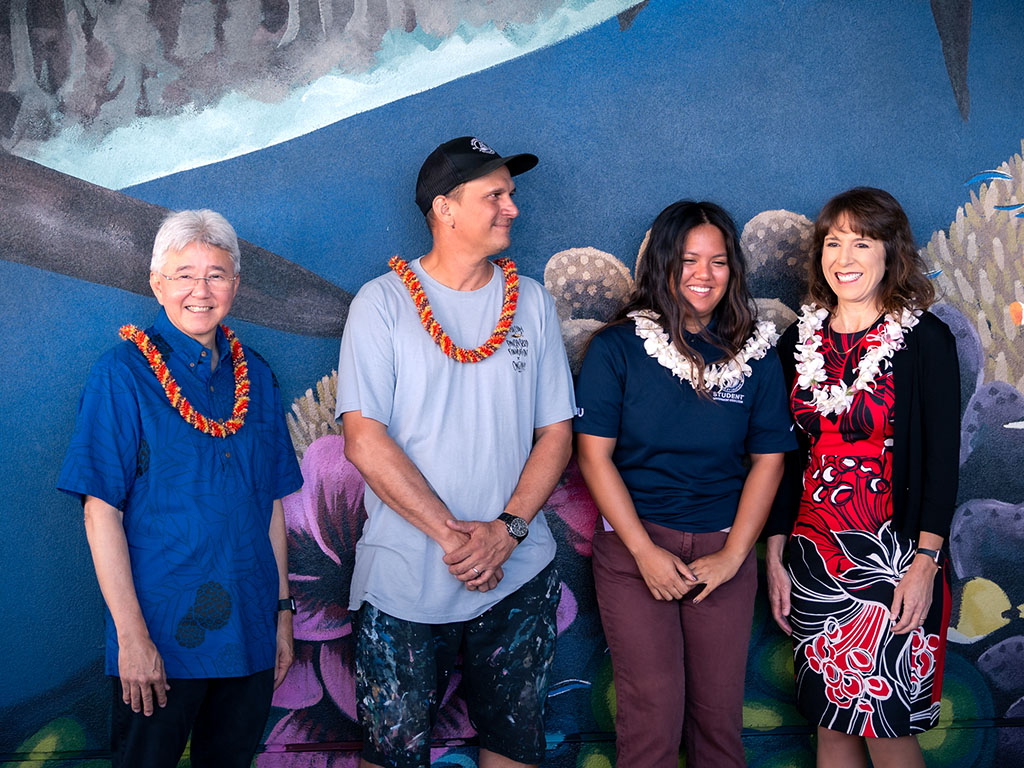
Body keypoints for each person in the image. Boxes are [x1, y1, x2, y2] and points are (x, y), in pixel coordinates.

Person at [336, 136, 575, 768]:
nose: (512, 210)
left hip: (519, 573)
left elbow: (556, 433)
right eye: (494, 196)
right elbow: (364, 439)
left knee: (515, 747)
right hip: (406, 579)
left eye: (511, 195)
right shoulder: (381, 303)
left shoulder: (533, 304)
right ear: (444, 208)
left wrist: (507, 533)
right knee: (391, 756)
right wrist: (461, 541)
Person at [57, 210, 303, 768]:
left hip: (250, 631)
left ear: (235, 287)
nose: (201, 290)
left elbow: (269, 506)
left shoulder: (256, 377)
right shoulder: (121, 374)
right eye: (184, 273)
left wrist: (282, 614)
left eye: (216, 274)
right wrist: (131, 637)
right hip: (162, 639)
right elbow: (101, 513)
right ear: (157, 283)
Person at [574, 200, 796, 767]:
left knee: (719, 719)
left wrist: (733, 556)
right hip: (635, 550)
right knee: (653, 714)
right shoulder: (617, 348)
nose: (704, 274)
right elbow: (593, 458)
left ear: (734, 270)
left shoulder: (756, 353)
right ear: (662, 265)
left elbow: (770, 460)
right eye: (689, 260)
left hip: (725, 549)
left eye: (718, 262)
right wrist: (643, 552)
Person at [764, 187, 961, 768]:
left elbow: (940, 463)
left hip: (895, 558)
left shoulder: (925, 340)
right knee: (832, 726)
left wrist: (926, 564)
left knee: (888, 727)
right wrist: (775, 555)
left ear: (890, 253)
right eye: (833, 242)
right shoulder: (795, 344)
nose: (844, 257)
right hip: (815, 559)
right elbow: (782, 460)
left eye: (861, 241)